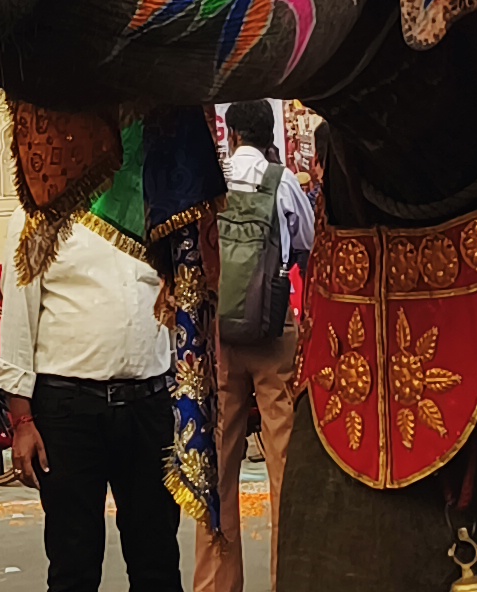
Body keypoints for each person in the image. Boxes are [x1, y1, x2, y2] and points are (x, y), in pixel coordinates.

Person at [0, 202, 180, 592]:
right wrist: (22, 421)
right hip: (69, 411)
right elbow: (17, 320)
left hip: (149, 405)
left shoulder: (150, 202)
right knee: (74, 567)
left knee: (158, 563)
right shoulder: (39, 213)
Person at [193, 103, 306, 592]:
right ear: (269, 134)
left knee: (218, 466)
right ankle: (287, 578)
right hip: (271, 328)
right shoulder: (283, 182)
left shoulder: (213, 180)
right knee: (283, 463)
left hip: (220, 333)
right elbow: (304, 243)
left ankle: (217, 583)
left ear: (231, 132)